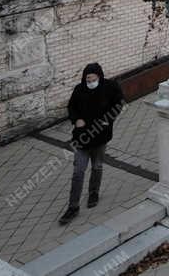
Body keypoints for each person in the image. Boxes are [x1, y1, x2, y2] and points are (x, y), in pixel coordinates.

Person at [59, 63, 125, 225]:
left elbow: (119, 103)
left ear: (99, 77)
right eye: (88, 79)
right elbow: (71, 107)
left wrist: (107, 120)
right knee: (78, 172)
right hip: (82, 139)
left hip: (100, 137)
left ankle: (93, 193)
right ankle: (73, 207)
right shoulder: (79, 90)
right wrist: (76, 120)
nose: (90, 82)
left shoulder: (109, 87)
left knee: (97, 166)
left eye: (93, 79)